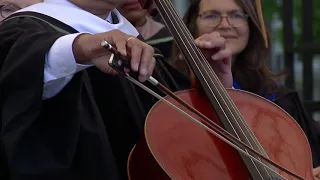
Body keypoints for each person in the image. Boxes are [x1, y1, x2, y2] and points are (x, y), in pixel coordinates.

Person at [0, 0, 232, 179]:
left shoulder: (132, 40)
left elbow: (181, 142)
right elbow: (25, 67)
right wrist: (82, 48)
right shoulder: (24, 31)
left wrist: (213, 87)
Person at [170, 0, 320, 178]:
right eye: (211, 15)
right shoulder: (172, 88)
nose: (225, 25)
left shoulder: (277, 97)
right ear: (192, 25)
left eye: (236, 15)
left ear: (251, 26)